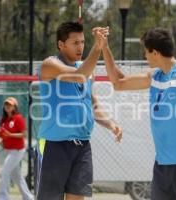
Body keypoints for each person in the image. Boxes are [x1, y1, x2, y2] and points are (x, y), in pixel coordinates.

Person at [103, 27, 176, 200]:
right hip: (163, 165)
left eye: (146, 52)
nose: (145, 56)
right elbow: (118, 83)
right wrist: (104, 46)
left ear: (155, 52)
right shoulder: (155, 76)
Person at [36, 22, 122, 200]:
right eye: (75, 43)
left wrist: (110, 123)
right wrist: (97, 47)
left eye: (83, 42)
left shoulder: (86, 69)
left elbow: (93, 105)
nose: (80, 47)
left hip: (82, 146)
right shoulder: (50, 64)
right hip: (54, 144)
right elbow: (78, 75)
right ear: (61, 44)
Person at [0, 97, 33, 200]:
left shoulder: (18, 118)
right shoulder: (3, 120)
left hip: (17, 151)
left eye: (10, 105)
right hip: (7, 150)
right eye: (6, 104)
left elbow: (23, 134)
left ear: (15, 107)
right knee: (17, 176)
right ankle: (28, 197)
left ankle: (2, 197)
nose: (8, 106)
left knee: (4, 171)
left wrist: (10, 134)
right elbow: (2, 136)